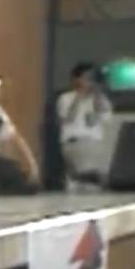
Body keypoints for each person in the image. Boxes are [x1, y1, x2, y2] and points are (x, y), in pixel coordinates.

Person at [56, 62, 113, 191]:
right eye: (85, 77)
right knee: (84, 177)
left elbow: (104, 115)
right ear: (76, 79)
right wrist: (79, 96)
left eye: (91, 78)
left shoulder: (100, 98)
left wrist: (97, 94)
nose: (88, 82)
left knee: (94, 182)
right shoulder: (65, 98)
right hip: (74, 142)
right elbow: (68, 119)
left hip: (94, 143)